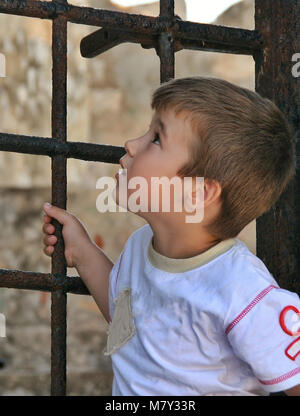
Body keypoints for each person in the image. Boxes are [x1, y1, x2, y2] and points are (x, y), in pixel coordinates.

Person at [42, 76, 300, 396]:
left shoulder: (241, 287)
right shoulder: (140, 247)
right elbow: (130, 327)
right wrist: (81, 251)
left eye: (156, 138)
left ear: (199, 192)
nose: (132, 144)